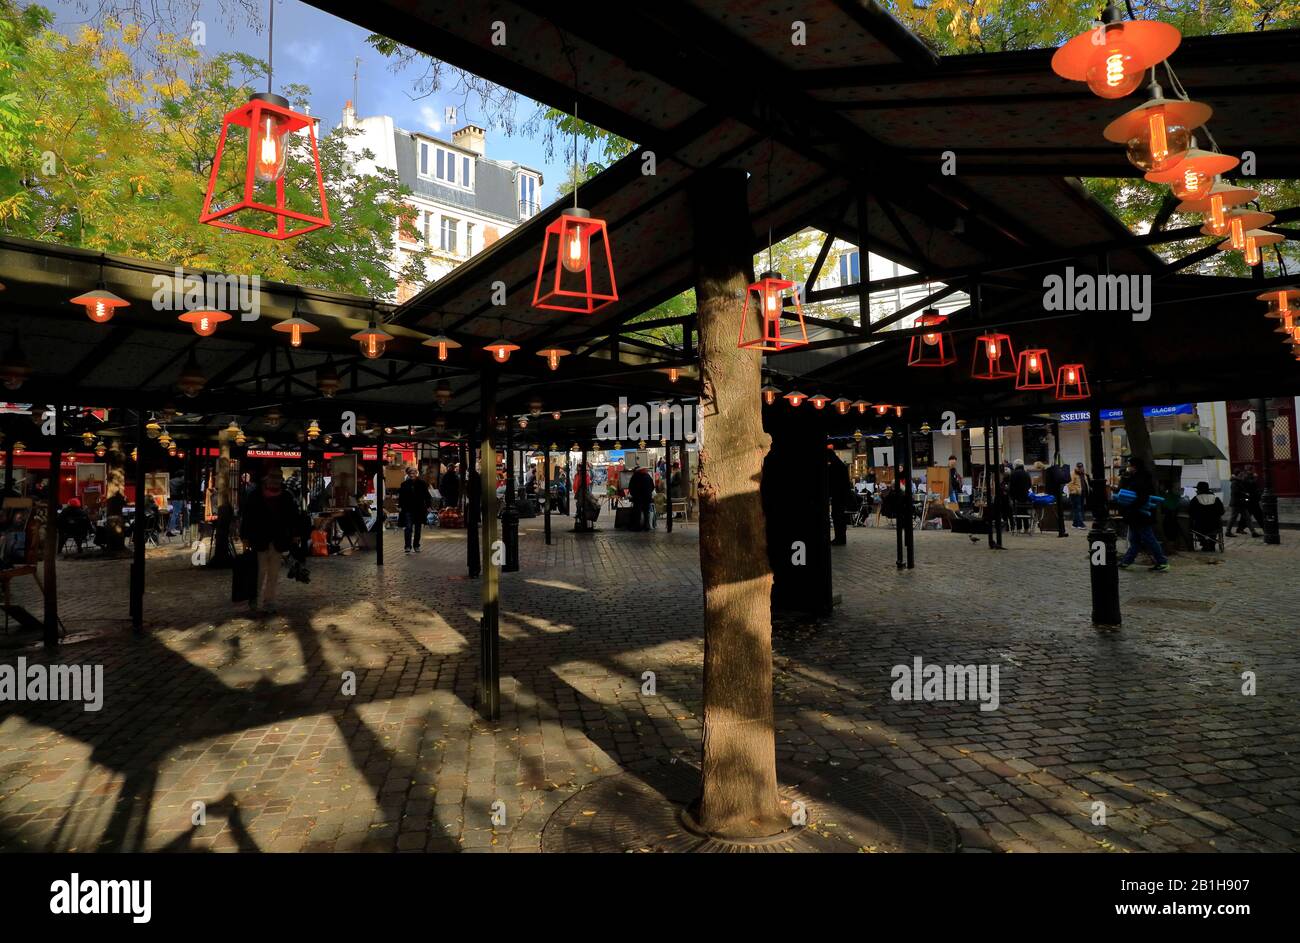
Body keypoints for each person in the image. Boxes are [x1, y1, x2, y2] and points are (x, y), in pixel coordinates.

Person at [239, 469, 307, 613]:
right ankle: (254, 597)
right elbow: (248, 517)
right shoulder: (256, 496)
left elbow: (293, 517)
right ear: (266, 480)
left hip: (278, 539)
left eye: (278, 478)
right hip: (260, 539)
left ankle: (269, 600)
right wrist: (245, 538)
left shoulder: (286, 496)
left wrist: (295, 534)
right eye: (273, 478)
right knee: (259, 572)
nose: (275, 481)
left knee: (273, 573)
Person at [1118, 456, 1169, 571]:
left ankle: (1162, 562)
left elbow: (1142, 497)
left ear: (1134, 466)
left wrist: (1131, 506)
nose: (1128, 467)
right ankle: (1126, 561)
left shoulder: (1141, 479)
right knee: (1135, 540)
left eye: (1129, 465)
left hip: (1141, 515)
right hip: (1136, 515)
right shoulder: (1135, 477)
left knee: (1148, 539)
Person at [398, 465, 431, 553]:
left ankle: (416, 545)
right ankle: (407, 546)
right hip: (408, 509)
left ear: (416, 473)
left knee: (418, 528)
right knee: (408, 527)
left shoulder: (422, 483)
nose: (412, 474)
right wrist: (400, 507)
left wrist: (428, 506)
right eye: (410, 473)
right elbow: (401, 497)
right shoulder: (404, 484)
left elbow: (427, 496)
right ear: (408, 474)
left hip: (419, 509)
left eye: (414, 473)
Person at [1188, 481, 1224, 551]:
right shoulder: (1216, 499)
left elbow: (1190, 512)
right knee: (1214, 527)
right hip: (1215, 525)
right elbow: (1221, 511)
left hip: (1200, 526)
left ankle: (1204, 544)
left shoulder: (1195, 500)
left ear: (1199, 490)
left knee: (1196, 525)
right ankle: (1212, 544)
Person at [1225, 469, 1259, 537]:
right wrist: (1245, 494)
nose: (1242, 475)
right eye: (1241, 474)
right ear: (1238, 474)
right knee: (1233, 518)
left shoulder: (1239, 481)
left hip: (1241, 503)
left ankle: (1253, 532)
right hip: (1236, 503)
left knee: (1247, 517)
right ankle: (1227, 532)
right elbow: (1235, 492)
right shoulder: (1234, 482)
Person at [828, 451, 851, 545]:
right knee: (839, 516)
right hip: (842, 495)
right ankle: (841, 538)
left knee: (837, 516)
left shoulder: (834, 467)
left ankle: (839, 538)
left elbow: (832, 482)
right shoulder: (841, 465)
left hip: (838, 495)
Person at [1008, 459, 1032, 532]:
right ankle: (1026, 528)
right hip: (1025, 496)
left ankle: (1018, 528)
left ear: (1015, 466)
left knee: (1017, 511)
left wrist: (1011, 496)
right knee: (1024, 511)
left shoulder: (1013, 474)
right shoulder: (1026, 473)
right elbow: (1029, 485)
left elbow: (1011, 487)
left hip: (1016, 497)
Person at [629, 465, 653, 531]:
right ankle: (647, 526)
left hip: (638, 498)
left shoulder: (635, 477)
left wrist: (633, 495)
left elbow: (631, 487)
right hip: (647, 497)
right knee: (646, 512)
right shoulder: (648, 476)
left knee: (637, 512)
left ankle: (637, 527)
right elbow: (652, 486)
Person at [1068, 462, 1089, 528]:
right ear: (1076, 467)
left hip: (1082, 493)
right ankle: (1080, 524)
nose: (1080, 468)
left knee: (1078, 509)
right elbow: (1069, 485)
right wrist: (1077, 490)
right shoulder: (1072, 474)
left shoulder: (1084, 474)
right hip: (1075, 494)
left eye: (1081, 467)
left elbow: (1085, 482)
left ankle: (1075, 524)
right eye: (1079, 467)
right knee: (1078, 508)